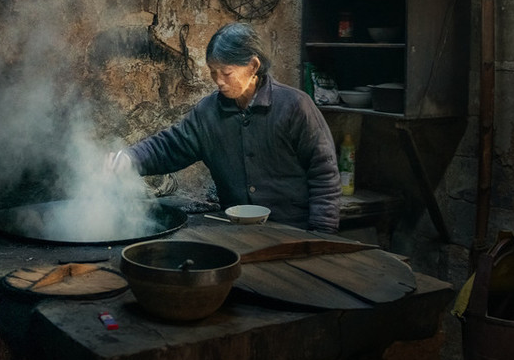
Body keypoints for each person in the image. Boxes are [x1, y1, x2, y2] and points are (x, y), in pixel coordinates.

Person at [110, 22, 342, 232]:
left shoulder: (295, 106)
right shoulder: (209, 112)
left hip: (293, 231)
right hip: (238, 232)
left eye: (227, 73)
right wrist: (131, 158)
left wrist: (322, 234)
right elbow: (171, 146)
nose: (218, 81)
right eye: (213, 72)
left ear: (253, 66)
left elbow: (324, 174)